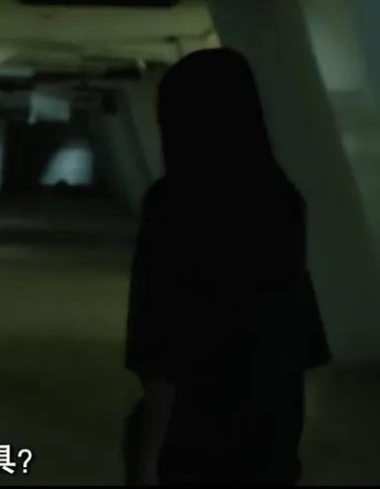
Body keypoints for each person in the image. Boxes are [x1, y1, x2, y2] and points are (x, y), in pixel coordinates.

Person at [122, 48, 332, 485]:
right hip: (270, 427)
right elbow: (295, 330)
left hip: (193, 431)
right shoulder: (282, 201)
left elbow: (162, 340)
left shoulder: (174, 204)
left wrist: (148, 457)